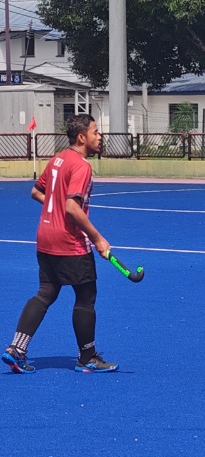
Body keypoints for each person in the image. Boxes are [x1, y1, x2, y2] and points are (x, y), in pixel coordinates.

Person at [2, 114, 118, 375]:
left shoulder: (57, 159)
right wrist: (98, 238)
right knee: (86, 296)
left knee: (46, 292)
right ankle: (87, 357)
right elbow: (72, 208)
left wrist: (54, 206)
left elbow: (36, 192)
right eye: (95, 131)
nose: (100, 136)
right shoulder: (81, 166)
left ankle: (16, 349)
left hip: (45, 237)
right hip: (69, 241)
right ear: (82, 137)